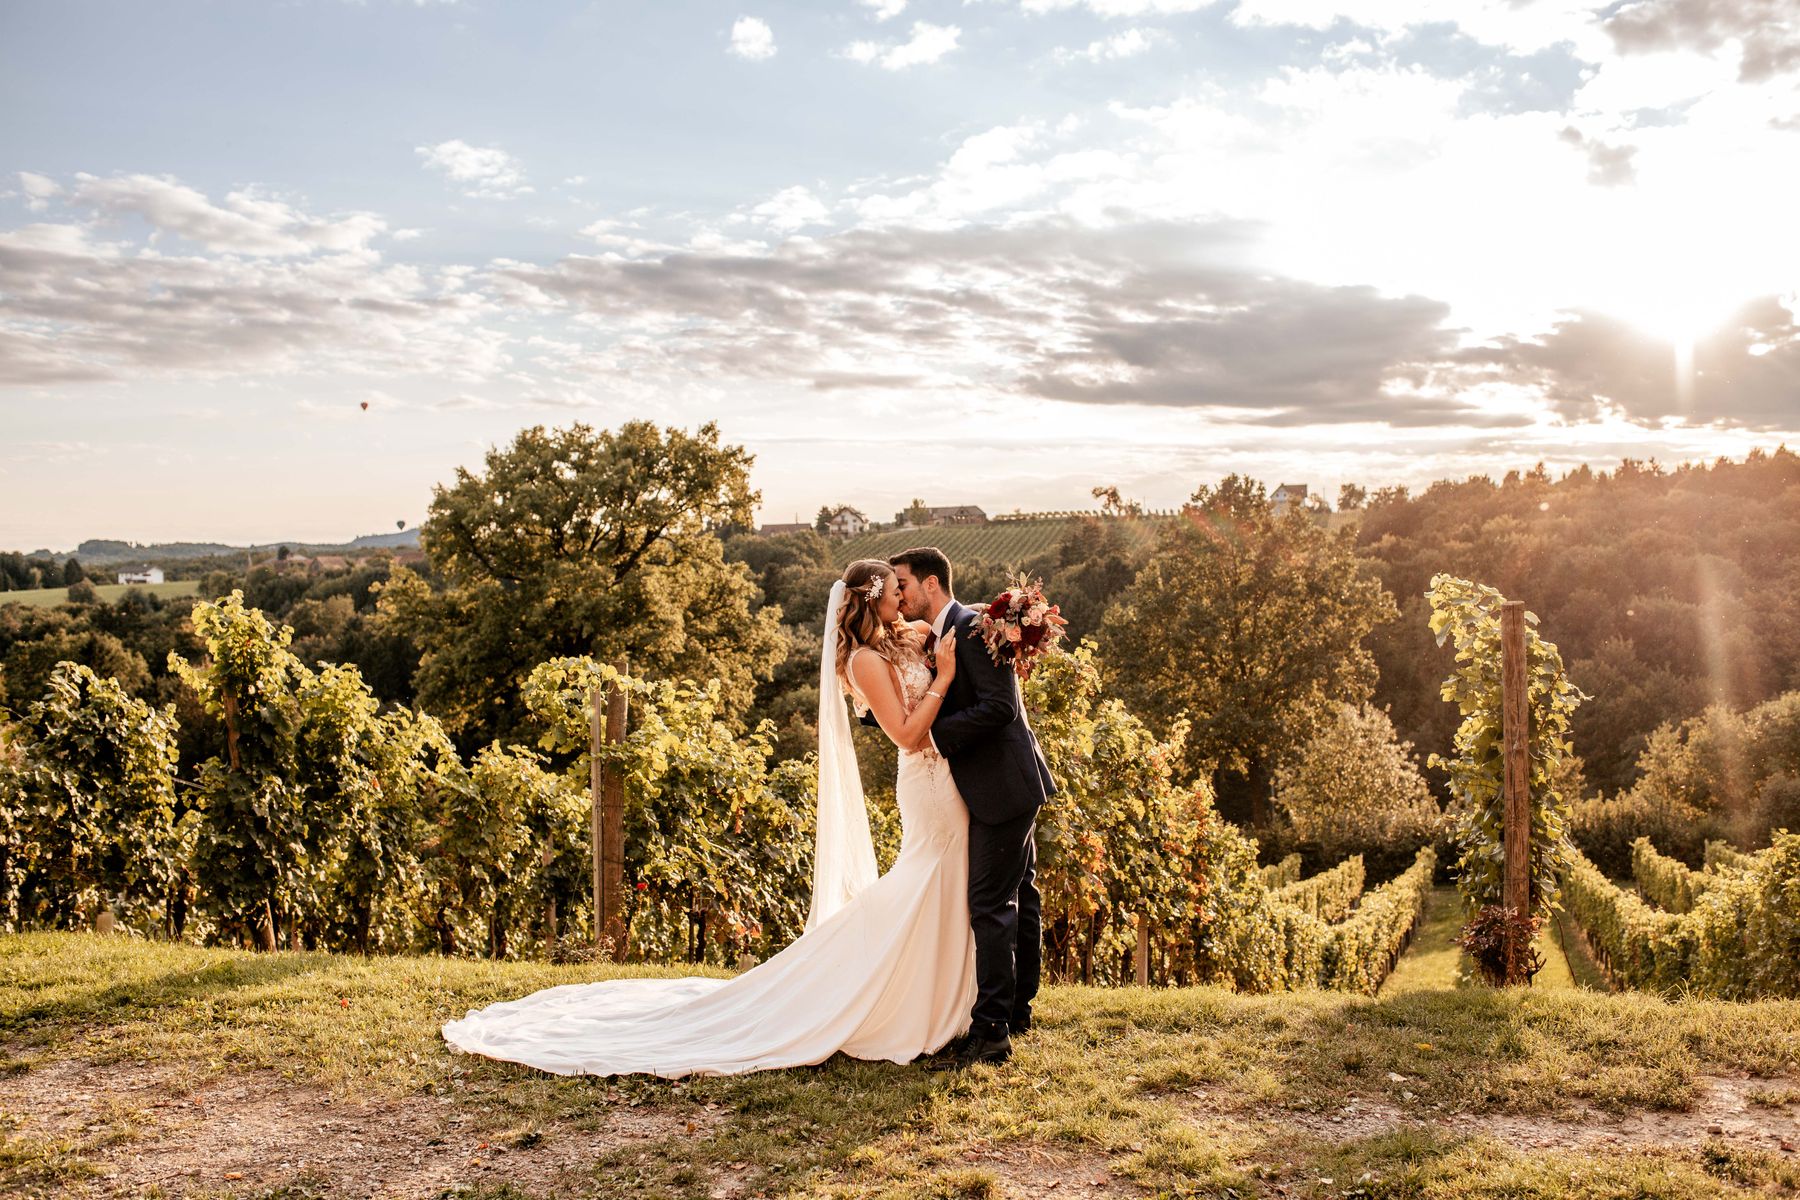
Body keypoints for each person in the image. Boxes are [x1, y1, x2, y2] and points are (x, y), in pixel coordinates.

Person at [441, 558, 978, 1078]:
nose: (901, 597)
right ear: (871, 598)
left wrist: (1004, 618)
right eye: (893, 589)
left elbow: (950, 618)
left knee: (940, 881)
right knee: (922, 881)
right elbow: (907, 734)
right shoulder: (864, 660)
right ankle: (874, 987)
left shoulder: (898, 637)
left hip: (946, 776)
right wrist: (945, 679)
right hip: (926, 779)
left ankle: (940, 995)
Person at [887, 547, 1055, 1069]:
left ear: (931, 583)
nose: (898, 596)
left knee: (989, 903)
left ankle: (991, 1033)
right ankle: (1018, 1010)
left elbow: (1001, 706)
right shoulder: (938, 635)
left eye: (903, 585)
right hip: (999, 784)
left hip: (1001, 788)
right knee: (1019, 895)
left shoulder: (976, 627)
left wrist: (936, 735)